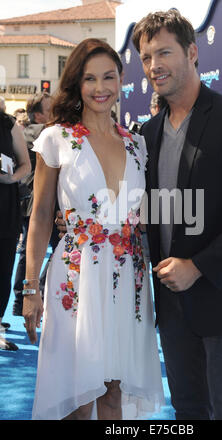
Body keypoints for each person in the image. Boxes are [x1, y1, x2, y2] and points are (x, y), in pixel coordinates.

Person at [132, 10, 222, 420]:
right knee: (189, 410)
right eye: (146, 57)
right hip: (172, 305)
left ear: (192, 53)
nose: (154, 66)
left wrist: (198, 266)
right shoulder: (148, 132)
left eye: (164, 52)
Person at [23, 38, 164, 420]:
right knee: (78, 396)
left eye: (109, 77)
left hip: (129, 278)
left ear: (121, 81)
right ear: (76, 84)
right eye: (90, 79)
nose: (100, 88)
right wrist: (30, 287)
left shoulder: (137, 144)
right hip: (75, 278)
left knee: (115, 393)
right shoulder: (57, 139)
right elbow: (40, 216)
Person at [13, 92, 57, 317]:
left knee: (26, 252)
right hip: (37, 203)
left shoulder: (24, 132)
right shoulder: (43, 134)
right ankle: (33, 291)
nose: (57, 112)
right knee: (59, 248)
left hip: (26, 201)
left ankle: (20, 300)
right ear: (39, 115)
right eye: (52, 109)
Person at [0, 109, 31, 350]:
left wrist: (10, 179)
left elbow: (25, 165)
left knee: (2, 269)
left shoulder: (7, 124)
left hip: (5, 208)